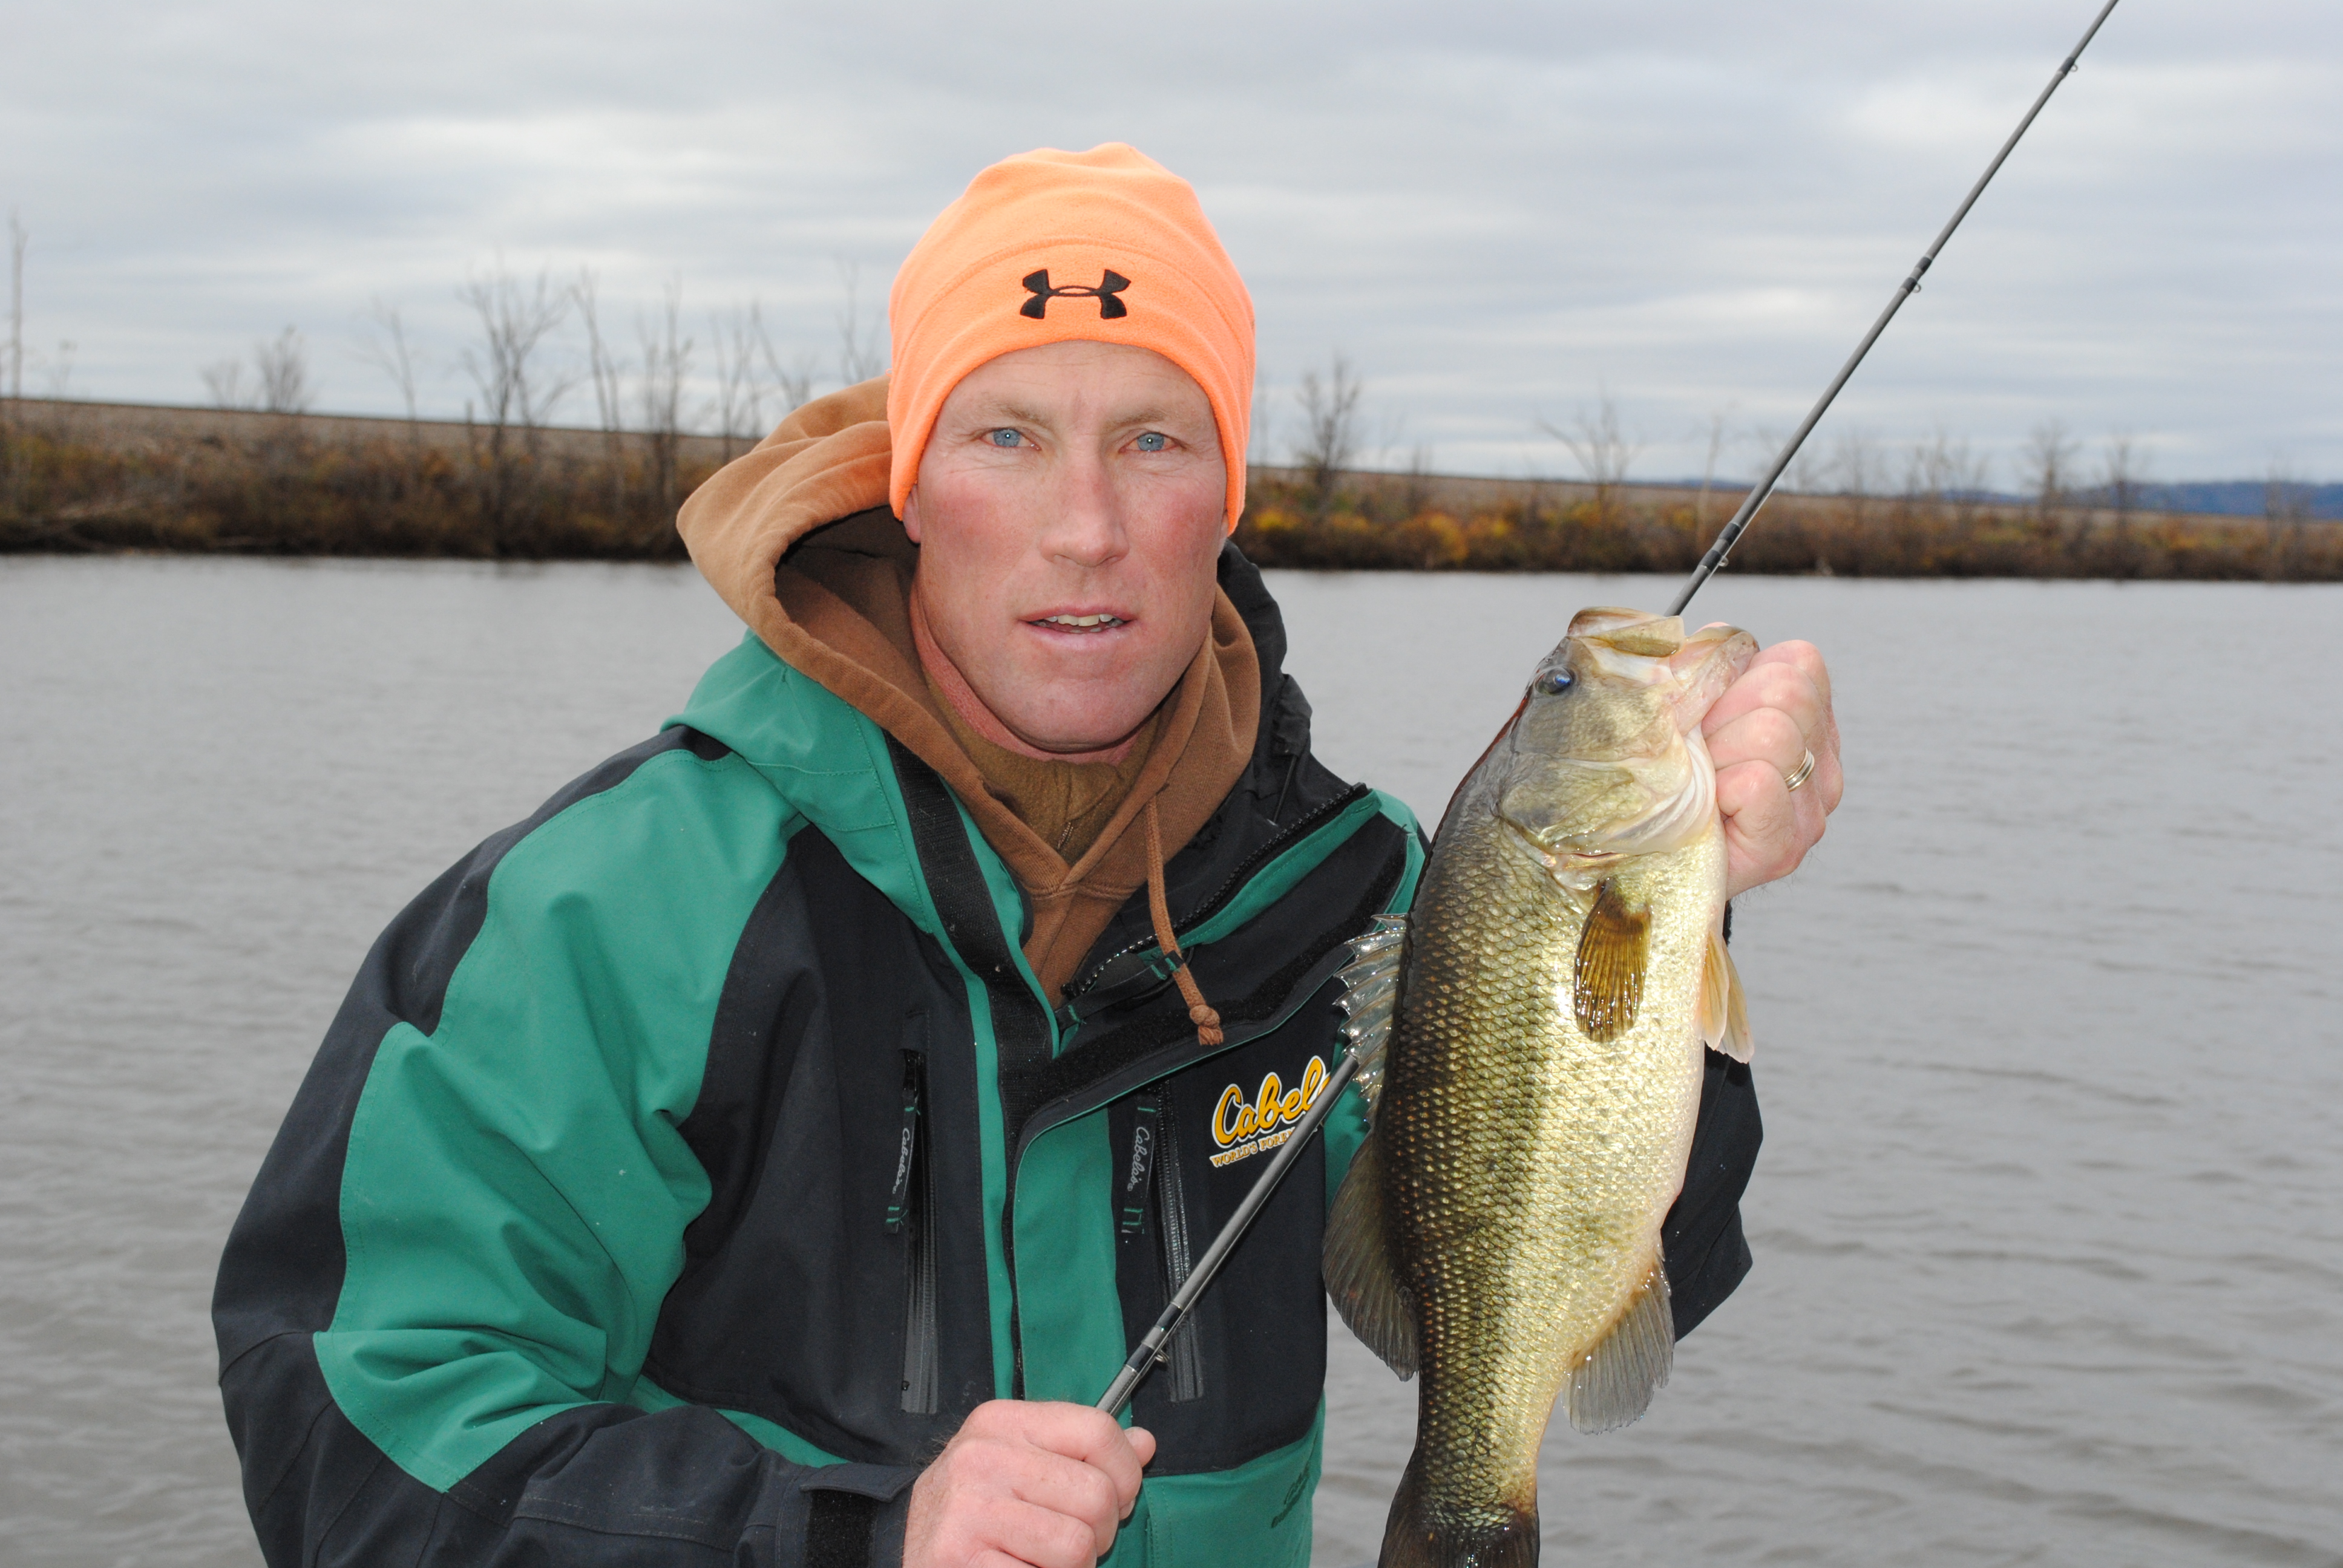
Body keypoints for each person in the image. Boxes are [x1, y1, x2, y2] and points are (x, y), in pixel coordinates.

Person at [213, 144, 1840, 1568]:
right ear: (910, 483)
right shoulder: (610, 913)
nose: (1086, 526)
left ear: (1229, 499)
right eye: (1007, 437)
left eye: (1152, 441)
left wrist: (1688, 921)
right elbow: (350, 1440)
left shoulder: (1372, 899)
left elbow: (1622, 1277)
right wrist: (847, 1536)